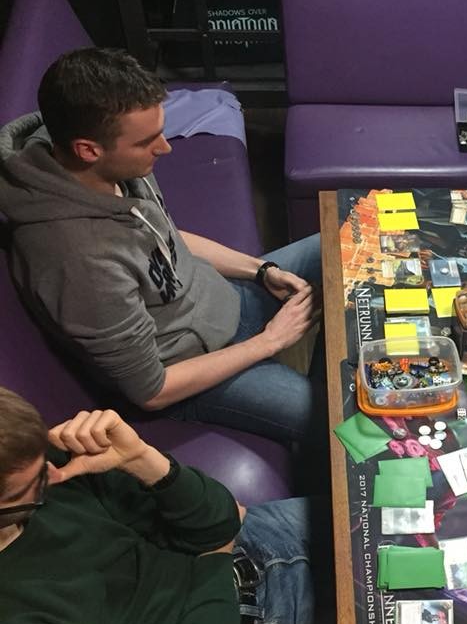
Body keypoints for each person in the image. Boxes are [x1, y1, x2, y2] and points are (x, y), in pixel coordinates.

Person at [0, 48, 320, 443]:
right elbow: (152, 391)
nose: (165, 148)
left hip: (219, 303)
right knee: (344, 420)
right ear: (88, 149)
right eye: (147, 141)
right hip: (188, 375)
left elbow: (166, 236)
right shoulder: (78, 262)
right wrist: (270, 341)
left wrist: (260, 270)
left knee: (348, 246)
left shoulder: (107, 169)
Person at [0, 387, 333, 624]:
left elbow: (219, 519)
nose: (53, 474)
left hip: (248, 543)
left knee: (363, 503)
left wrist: (142, 459)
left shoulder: (40, 462)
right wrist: (216, 558)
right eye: (34, 485)